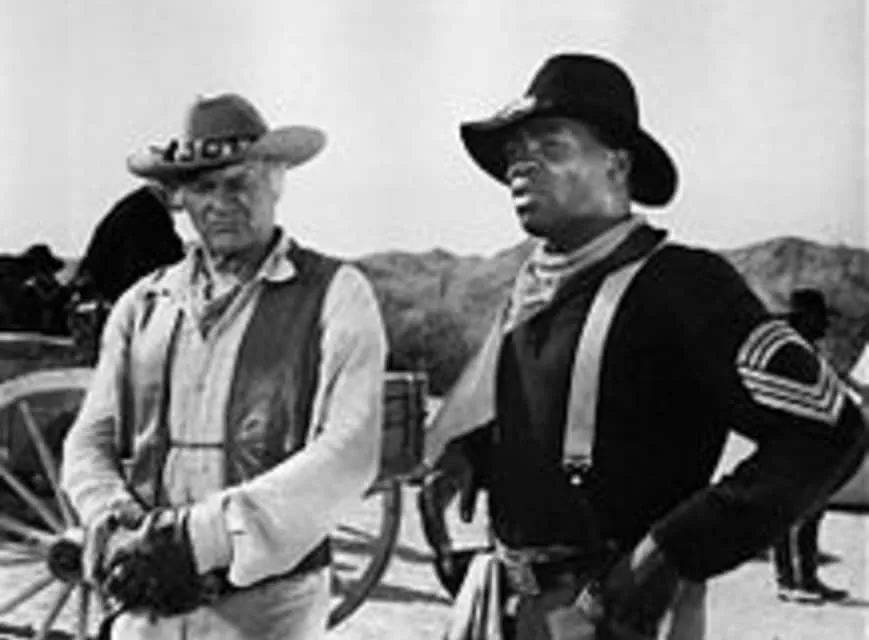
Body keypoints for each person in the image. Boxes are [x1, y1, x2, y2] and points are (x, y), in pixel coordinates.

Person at [422, 53, 868, 639]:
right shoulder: (530, 291)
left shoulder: (683, 285)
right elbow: (601, 420)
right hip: (510, 608)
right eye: (514, 153)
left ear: (617, 166)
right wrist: (477, 455)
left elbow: (829, 432)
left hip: (616, 617)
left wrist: (669, 553)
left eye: (551, 146)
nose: (521, 167)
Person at [60, 93, 387, 639]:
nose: (220, 203)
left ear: (277, 181)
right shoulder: (142, 304)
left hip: (267, 610)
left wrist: (196, 540)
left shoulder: (336, 294)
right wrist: (111, 517)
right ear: (180, 198)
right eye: (202, 188)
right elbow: (90, 437)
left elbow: (348, 452)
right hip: (144, 606)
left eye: (240, 183)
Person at [771, 289, 849, 602]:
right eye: (821, 319)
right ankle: (788, 581)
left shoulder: (807, 350)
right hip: (790, 441)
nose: (826, 327)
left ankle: (808, 577)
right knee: (790, 511)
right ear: (805, 318)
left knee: (812, 510)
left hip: (812, 442)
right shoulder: (787, 351)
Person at [73, 181, 185, 305]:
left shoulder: (138, 204)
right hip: (114, 299)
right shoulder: (149, 214)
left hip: (106, 293)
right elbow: (173, 261)